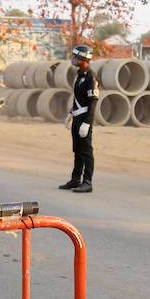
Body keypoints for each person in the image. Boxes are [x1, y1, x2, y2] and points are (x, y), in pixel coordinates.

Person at [59, 45, 98, 193]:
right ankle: (75, 179)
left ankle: (87, 182)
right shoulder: (79, 75)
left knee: (86, 151)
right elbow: (78, 98)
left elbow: (93, 102)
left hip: (85, 118)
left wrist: (87, 123)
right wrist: (71, 113)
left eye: (76, 57)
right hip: (77, 116)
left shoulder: (91, 77)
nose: (73, 59)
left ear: (83, 59)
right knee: (77, 150)